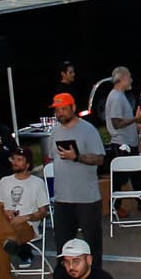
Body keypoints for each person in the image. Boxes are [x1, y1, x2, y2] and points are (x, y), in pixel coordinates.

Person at [0, 146, 52, 279]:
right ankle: (10, 241)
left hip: (26, 226)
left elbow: (43, 211)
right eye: (14, 159)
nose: (15, 162)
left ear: (28, 164)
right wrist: (7, 211)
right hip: (8, 224)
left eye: (19, 160)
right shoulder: (4, 181)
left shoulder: (37, 183)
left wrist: (26, 217)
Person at [46, 91, 108, 255]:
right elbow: (53, 158)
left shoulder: (87, 130)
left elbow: (100, 159)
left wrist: (77, 157)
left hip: (86, 198)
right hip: (62, 199)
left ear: (73, 108)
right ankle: (65, 277)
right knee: (63, 244)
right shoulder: (55, 132)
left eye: (64, 109)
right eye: (57, 110)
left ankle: (95, 276)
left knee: (91, 243)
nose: (60, 113)